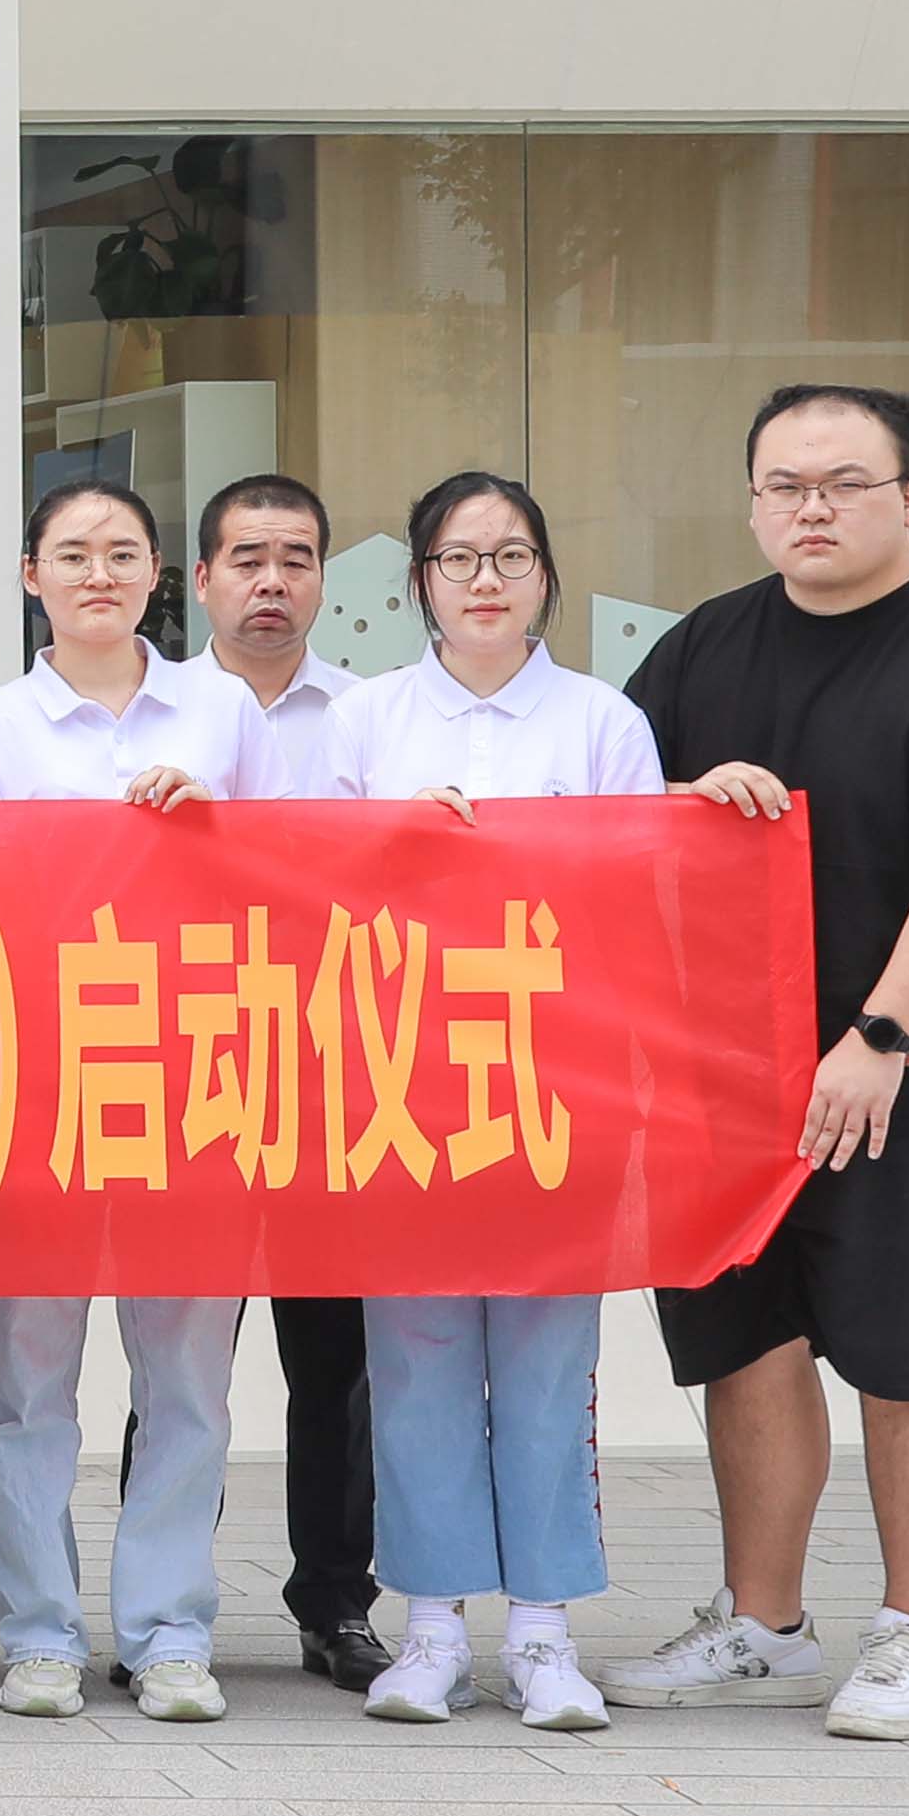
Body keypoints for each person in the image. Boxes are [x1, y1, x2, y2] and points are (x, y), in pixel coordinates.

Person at [612, 385, 909, 1747]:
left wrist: (875, 1038)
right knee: (747, 1347)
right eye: (786, 485)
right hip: (723, 1079)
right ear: (753, 502)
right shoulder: (703, 649)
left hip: (907, 1080)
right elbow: (604, 816)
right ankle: (763, 1623)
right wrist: (679, 798)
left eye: (846, 482)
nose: (812, 507)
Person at [332, 467, 654, 1733]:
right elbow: (309, 893)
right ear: (419, 579)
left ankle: (544, 1634)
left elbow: (640, 892)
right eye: (458, 557)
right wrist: (391, 840)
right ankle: (429, 1629)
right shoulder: (364, 718)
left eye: (510, 555)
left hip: (554, 1082)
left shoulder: (601, 722)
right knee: (414, 1362)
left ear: (544, 576)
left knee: (545, 1361)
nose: (484, 580)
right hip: (401, 1082)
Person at [0, 475, 264, 1723]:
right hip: (37, 1083)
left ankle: (169, 1630)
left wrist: (214, 829)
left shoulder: (224, 708)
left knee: (186, 1379)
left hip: (193, 1079)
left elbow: (290, 875)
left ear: (157, 574)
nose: (98, 573)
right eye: (72, 552)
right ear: (31, 575)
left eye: (122, 551)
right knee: (27, 1380)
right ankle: (38, 1633)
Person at [189, 470, 390, 1698]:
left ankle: (337, 1602)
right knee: (181, 1361)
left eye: (296, 559)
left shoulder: (375, 716)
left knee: (337, 1364)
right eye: (247, 559)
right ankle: (165, 1608)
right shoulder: (154, 712)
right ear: (202, 577)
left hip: (337, 1077)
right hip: (189, 1070)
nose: (271, 582)